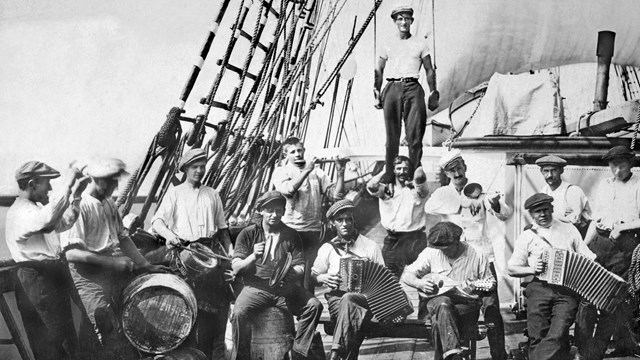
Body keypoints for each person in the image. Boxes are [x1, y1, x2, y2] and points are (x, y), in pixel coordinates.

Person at [61, 158, 169, 359]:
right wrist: (112, 262)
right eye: (110, 181)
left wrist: (145, 265)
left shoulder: (109, 203)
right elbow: (71, 253)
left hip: (108, 272)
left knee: (116, 323)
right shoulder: (80, 205)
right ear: (95, 179)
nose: (115, 186)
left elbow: (122, 237)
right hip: (87, 276)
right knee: (103, 325)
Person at [425, 149, 510, 360]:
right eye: (451, 170)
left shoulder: (480, 191)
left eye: (459, 168)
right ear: (446, 173)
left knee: (491, 310)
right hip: (454, 262)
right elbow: (429, 206)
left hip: (482, 260)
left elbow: (505, 214)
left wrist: (496, 204)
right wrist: (462, 203)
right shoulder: (443, 193)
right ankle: (452, 350)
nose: (456, 173)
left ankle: (499, 354)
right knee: (455, 307)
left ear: (465, 167)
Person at [150, 148, 233, 360]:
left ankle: (202, 354)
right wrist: (170, 236)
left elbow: (223, 231)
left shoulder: (213, 194)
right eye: (194, 167)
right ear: (186, 169)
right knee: (183, 309)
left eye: (202, 166)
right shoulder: (175, 193)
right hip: (184, 255)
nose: (199, 170)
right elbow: (157, 222)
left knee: (209, 315)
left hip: (209, 257)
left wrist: (232, 256)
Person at [5, 161, 88, 360]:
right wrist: (68, 182)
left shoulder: (35, 210)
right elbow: (47, 221)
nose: (50, 188)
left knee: (66, 340)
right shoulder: (21, 213)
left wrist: (76, 196)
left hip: (52, 277)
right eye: (47, 183)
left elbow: (63, 223)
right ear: (32, 184)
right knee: (51, 344)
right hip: (37, 281)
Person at [231, 191, 324, 360]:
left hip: (285, 289)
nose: (274, 215)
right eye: (270, 210)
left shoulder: (291, 234)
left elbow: (300, 266)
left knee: (314, 306)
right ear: (261, 210)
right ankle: (241, 357)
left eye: (279, 210)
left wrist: (287, 274)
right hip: (256, 288)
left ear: (283, 211)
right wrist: (253, 256)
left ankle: (297, 352)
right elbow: (236, 267)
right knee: (238, 313)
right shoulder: (248, 233)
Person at [507, 193, 596, 360]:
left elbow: (587, 255)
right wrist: (532, 269)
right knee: (537, 335)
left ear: (552, 209)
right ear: (531, 215)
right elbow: (511, 269)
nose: (542, 214)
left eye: (546, 210)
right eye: (538, 211)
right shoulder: (527, 236)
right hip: (539, 287)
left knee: (559, 331)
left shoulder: (568, 228)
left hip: (567, 289)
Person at [575, 146, 640, 359]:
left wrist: (622, 227)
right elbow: (595, 219)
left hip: (623, 246)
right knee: (587, 296)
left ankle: (597, 351)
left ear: (630, 163)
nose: (617, 170)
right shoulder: (603, 185)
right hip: (599, 244)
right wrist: (584, 245)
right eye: (613, 165)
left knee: (612, 299)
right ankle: (585, 351)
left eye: (622, 165)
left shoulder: (638, 184)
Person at [402, 222, 496, 360]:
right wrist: (420, 283)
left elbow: (491, 283)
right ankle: (454, 355)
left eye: (447, 248)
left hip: (466, 307)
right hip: (436, 302)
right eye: (440, 249)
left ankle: (450, 355)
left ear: (458, 241)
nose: (443, 251)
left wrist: (473, 287)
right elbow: (407, 275)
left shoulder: (477, 254)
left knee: (438, 319)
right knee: (443, 302)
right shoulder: (432, 252)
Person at [311, 199, 385, 360]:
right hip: (336, 301)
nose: (345, 224)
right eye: (340, 220)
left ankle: (336, 352)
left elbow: (384, 281)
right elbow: (313, 276)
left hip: (365, 300)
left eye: (348, 219)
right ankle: (344, 355)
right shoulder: (327, 249)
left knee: (349, 299)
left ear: (354, 220)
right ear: (332, 224)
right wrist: (323, 277)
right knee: (348, 307)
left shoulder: (370, 246)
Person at [271, 136, 345, 291]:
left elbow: (336, 195)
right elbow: (289, 190)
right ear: (285, 155)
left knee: (308, 273)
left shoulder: (317, 172)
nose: (297, 154)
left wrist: (340, 172)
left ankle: (308, 308)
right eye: (293, 152)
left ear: (304, 151)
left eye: (299, 150)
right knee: (289, 271)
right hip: (290, 229)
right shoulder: (281, 171)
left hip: (313, 230)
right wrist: (306, 170)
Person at [373, 4, 439, 180]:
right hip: (392, 88)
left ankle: (413, 174)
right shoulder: (387, 43)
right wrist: (376, 91)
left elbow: (429, 70)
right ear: (395, 22)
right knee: (392, 136)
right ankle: (389, 174)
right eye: (400, 19)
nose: (404, 22)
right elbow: (379, 69)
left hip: (413, 88)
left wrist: (433, 92)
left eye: (407, 19)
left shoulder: (420, 44)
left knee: (415, 135)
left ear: (411, 21)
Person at [535, 155, 592, 236]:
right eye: (546, 171)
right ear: (541, 171)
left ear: (561, 170)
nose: (550, 175)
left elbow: (573, 220)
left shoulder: (572, 190)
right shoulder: (544, 191)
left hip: (576, 236)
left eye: (554, 171)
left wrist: (549, 218)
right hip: (554, 234)